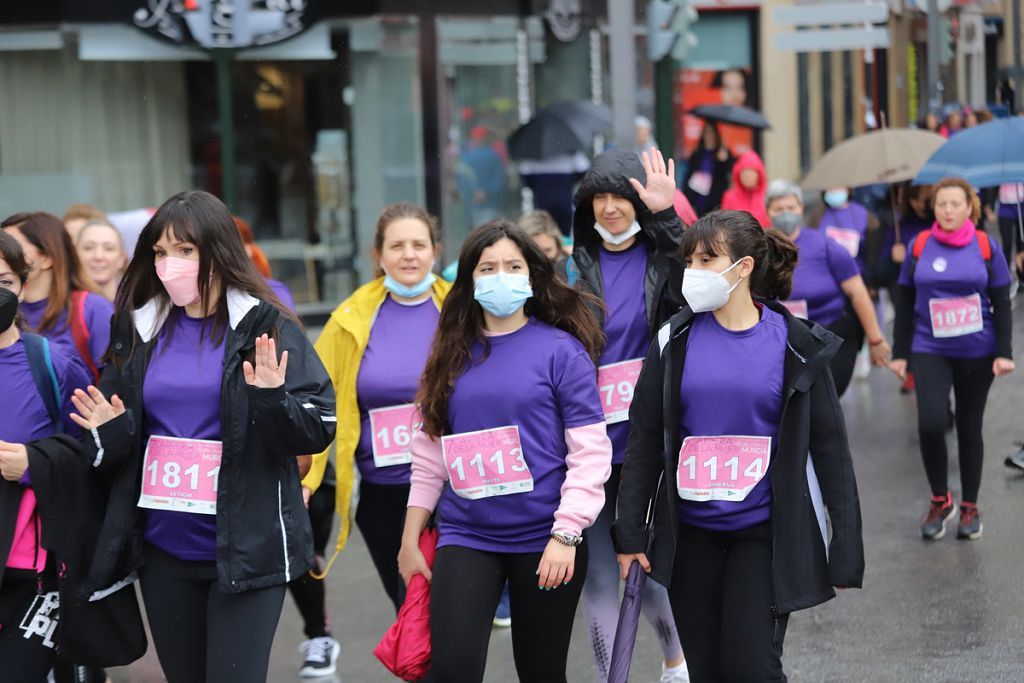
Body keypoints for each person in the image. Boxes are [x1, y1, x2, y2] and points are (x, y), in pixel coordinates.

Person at [66, 190, 337, 682]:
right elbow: (114, 442)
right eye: (161, 253)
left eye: (185, 251)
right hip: (164, 550)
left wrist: (273, 399)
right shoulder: (138, 327)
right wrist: (107, 432)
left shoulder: (266, 325)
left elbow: (318, 428)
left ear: (218, 252)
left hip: (246, 550)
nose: (170, 264)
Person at [614, 210, 865, 681]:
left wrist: (845, 548)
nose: (694, 271)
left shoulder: (797, 344)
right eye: (690, 260)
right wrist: (629, 532)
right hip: (691, 540)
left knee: (752, 669)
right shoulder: (674, 340)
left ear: (744, 266)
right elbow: (644, 438)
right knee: (706, 672)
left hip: (762, 537)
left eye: (709, 259)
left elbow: (832, 452)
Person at [398, 221, 612, 682]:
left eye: (513, 266)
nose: (500, 275)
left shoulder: (562, 352)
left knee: (541, 672)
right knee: (451, 670)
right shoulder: (449, 353)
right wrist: (409, 538)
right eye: (488, 266)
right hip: (466, 535)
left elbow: (590, 454)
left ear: (533, 276)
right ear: (470, 280)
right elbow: (430, 454)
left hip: (546, 539)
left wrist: (567, 534)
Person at [570, 149, 689, 682]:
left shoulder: (665, 258)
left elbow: (699, 278)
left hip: (651, 440)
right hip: (589, 443)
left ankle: (675, 663)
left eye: (622, 195)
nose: (611, 207)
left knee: (644, 563)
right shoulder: (571, 270)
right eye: (601, 196)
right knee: (596, 575)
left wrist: (666, 217)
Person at [301, 202, 449, 630]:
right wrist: (308, 479)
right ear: (378, 255)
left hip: (452, 491)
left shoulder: (460, 309)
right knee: (409, 611)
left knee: (447, 612)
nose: (408, 254)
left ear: (434, 251)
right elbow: (317, 402)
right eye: (397, 245)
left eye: (418, 244)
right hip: (383, 496)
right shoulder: (348, 319)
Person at [890, 177, 1014, 541]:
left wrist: (1004, 352)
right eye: (941, 204)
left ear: (969, 208)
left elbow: (1002, 303)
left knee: (969, 425)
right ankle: (941, 500)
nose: (947, 210)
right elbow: (903, 299)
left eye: (955, 204)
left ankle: (971, 506)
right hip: (930, 348)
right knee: (930, 423)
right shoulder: (920, 245)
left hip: (978, 350)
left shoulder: (985, 245)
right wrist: (900, 354)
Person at [0, 231, 94, 681]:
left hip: (30, 572)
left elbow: (96, 456)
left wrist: (34, 464)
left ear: (23, 283)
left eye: (3, 280)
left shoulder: (53, 364)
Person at [765, 181, 891, 396]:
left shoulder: (825, 245)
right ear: (768, 211)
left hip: (830, 336)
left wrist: (876, 339)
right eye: (779, 209)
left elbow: (858, 293)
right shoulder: (759, 249)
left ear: (801, 209)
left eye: (791, 208)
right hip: (780, 341)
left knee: (824, 399)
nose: (786, 214)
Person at [2, 212, 114, 382]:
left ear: (47, 257)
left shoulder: (92, 308)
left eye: (14, 245)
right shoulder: (7, 308)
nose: (5, 253)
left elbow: (116, 380)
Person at [809, 186, 880, 275]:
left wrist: (869, 281)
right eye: (830, 187)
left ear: (848, 189)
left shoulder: (864, 215)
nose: (834, 191)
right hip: (824, 275)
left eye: (837, 186)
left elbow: (872, 252)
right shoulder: (818, 214)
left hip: (856, 275)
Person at [683, 123, 733, 217]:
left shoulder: (723, 152)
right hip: (698, 195)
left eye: (712, 133)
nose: (709, 136)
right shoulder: (698, 153)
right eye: (707, 133)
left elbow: (727, 174)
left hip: (716, 197)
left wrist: (723, 161)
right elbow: (689, 174)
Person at [76, 219, 128, 302]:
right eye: (88, 248)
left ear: (122, 258)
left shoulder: (139, 305)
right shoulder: (61, 307)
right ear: (75, 255)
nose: (98, 256)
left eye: (108, 249)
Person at [720, 150, 769, 227]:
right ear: (738, 174)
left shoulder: (768, 194)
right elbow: (725, 225)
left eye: (751, 171)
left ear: (759, 173)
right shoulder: (730, 196)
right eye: (744, 171)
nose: (747, 175)